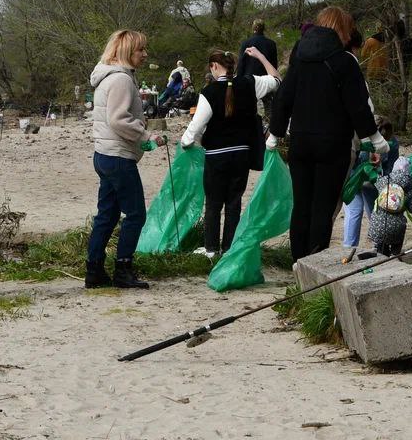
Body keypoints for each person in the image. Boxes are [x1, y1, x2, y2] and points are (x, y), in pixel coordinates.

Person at [269, 6, 388, 261]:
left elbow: (284, 96)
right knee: (323, 207)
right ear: (343, 30)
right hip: (333, 144)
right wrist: (375, 138)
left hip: (300, 141)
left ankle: (298, 262)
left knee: (301, 205)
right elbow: (357, 104)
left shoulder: (299, 57)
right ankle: (314, 261)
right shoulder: (345, 61)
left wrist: (275, 133)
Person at [181, 46, 280, 258]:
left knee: (214, 203)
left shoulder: (208, 93)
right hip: (242, 154)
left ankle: (210, 250)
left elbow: (196, 127)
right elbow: (277, 79)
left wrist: (186, 143)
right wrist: (261, 56)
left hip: (217, 155)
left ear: (214, 66)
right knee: (234, 202)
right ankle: (229, 248)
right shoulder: (250, 83)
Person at [87, 30, 168, 289]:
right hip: (117, 156)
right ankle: (123, 270)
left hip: (103, 154)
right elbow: (118, 119)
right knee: (135, 214)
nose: (145, 55)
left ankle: (94, 271)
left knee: (107, 216)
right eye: (140, 50)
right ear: (125, 51)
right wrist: (147, 134)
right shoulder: (121, 79)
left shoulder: (107, 75)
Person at [341, 118, 398, 262]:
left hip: (353, 180)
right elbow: (390, 170)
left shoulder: (359, 137)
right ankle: (380, 247)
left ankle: (348, 248)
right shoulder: (392, 143)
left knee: (353, 213)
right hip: (372, 183)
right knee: (376, 214)